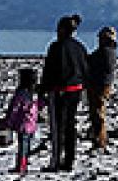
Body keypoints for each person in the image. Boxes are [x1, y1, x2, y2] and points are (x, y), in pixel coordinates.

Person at [38, 14, 89, 171]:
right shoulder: (80, 47)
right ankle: (69, 161)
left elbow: (49, 71)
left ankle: (56, 161)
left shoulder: (56, 47)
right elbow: (86, 70)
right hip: (76, 91)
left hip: (59, 91)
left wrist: (42, 89)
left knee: (58, 127)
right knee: (70, 125)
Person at [4, 67, 42, 174]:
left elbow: (15, 108)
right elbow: (40, 105)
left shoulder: (21, 93)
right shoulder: (35, 93)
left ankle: (21, 166)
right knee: (26, 146)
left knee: (22, 146)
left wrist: (9, 121)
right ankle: (23, 165)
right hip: (32, 123)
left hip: (22, 123)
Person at [87, 26, 118, 152]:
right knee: (98, 112)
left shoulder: (105, 52)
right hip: (102, 85)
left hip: (99, 85)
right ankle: (99, 139)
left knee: (98, 113)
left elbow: (92, 62)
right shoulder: (110, 52)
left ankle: (100, 141)